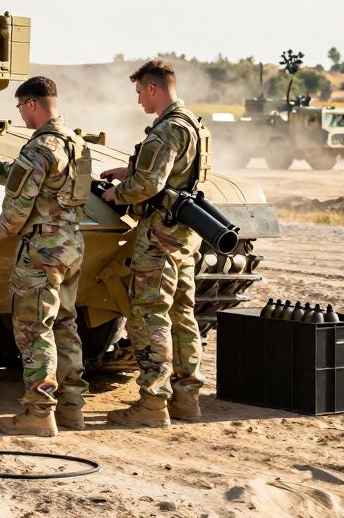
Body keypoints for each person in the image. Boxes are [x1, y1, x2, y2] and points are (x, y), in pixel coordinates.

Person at [0, 76, 89, 437]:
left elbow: (18, 204)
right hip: (71, 244)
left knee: (34, 328)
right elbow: (28, 177)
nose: (21, 116)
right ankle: (72, 408)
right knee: (64, 323)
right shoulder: (75, 143)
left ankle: (39, 412)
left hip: (41, 250)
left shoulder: (38, 147)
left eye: (20, 108)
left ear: (31, 104)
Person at [100, 59, 207, 427]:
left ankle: (152, 403)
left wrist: (118, 193)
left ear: (152, 88)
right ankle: (186, 399)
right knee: (181, 315)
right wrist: (129, 170)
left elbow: (149, 185)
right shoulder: (191, 124)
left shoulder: (165, 130)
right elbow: (176, 172)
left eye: (139, 92)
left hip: (159, 236)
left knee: (149, 316)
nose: (138, 101)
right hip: (184, 235)